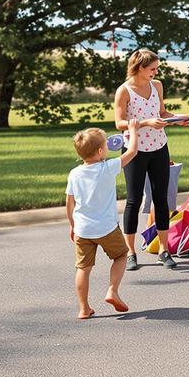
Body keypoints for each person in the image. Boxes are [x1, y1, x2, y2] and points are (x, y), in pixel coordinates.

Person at [114, 49, 189, 271]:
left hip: (159, 146)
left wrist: (178, 119)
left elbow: (161, 112)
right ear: (139, 67)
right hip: (134, 150)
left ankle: (164, 250)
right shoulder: (124, 91)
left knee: (161, 198)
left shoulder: (157, 85)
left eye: (156, 68)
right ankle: (130, 253)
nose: (156, 72)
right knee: (133, 200)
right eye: (152, 69)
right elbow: (119, 123)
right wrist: (146, 122)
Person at [66, 121, 139, 319]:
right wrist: (132, 131)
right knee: (121, 256)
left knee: (83, 268)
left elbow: (69, 204)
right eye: (106, 145)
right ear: (100, 151)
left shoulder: (74, 174)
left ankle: (83, 308)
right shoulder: (108, 167)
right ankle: (112, 290)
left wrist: (73, 226)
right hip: (106, 228)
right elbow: (132, 152)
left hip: (82, 229)